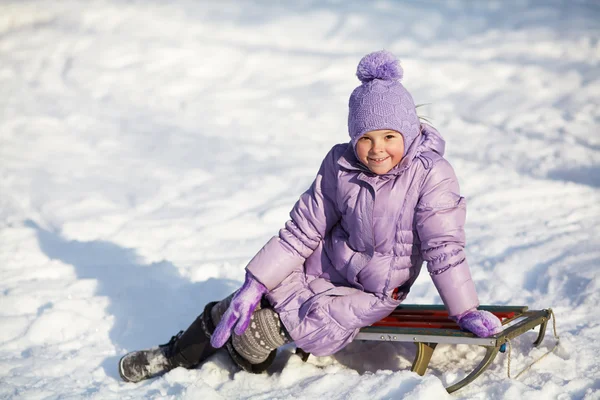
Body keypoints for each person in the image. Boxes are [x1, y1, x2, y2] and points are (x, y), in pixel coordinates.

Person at [118, 50, 503, 383]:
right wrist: (255, 283)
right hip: (321, 266)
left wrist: (465, 309)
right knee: (236, 304)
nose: (376, 149)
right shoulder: (340, 163)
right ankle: (172, 355)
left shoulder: (431, 175)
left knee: (259, 331)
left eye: (389, 136)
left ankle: (240, 357)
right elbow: (303, 229)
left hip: (367, 293)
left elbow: (444, 249)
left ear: (407, 132)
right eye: (365, 138)